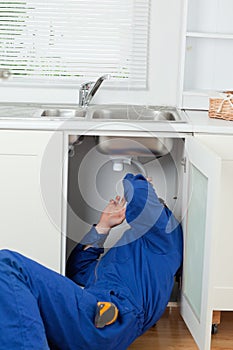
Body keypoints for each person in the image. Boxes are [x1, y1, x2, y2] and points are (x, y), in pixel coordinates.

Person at [0, 173, 183, 350]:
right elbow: (78, 271)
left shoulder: (166, 236)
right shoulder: (131, 250)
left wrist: (142, 182)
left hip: (111, 315)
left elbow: (137, 193)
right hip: (95, 311)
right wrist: (103, 227)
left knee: (7, 266)